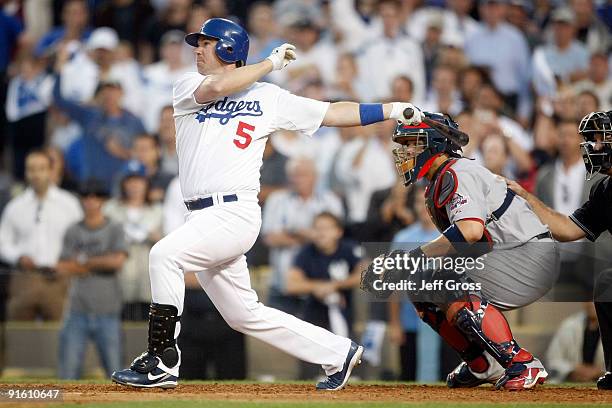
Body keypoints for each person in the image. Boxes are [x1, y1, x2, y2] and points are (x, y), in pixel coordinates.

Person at [111, 17, 423, 390]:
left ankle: (161, 359)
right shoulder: (189, 84)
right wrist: (270, 63)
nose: (197, 48)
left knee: (164, 255)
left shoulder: (268, 97)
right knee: (244, 315)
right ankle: (338, 353)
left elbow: (331, 112)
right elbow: (219, 85)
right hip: (202, 216)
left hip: (233, 211)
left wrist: (389, 110)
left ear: (228, 49)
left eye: (207, 43)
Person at [361, 112, 560, 390]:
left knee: (442, 281)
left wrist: (410, 259)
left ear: (435, 143)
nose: (405, 151)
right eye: (404, 144)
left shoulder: (458, 171)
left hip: (529, 256)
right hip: (511, 254)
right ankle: (481, 365)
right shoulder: (440, 179)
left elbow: (470, 232)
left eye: (412, 143)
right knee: (421, 285)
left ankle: (522, 363)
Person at [506, 110, 612, 390]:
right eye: (594, 140)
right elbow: (567, 229)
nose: (595, 147)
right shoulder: (605, 190)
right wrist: (526, 198)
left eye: (602, 140)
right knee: (606, 282)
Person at [56, 179, 127, 379]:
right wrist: (100, 262)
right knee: (67, 374)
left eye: (95, 196)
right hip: (77, 310)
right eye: (86, 196)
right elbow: (61, 266)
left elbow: (118, 261)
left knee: (116, 374)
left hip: (108, 311)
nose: (90, 200)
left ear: (102, 200)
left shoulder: (114, 228)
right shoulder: (73, 230)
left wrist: (84, 261)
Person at [0, 150, 82, 321]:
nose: (36, 174)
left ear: (51, 171)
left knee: (59, 334)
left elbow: (81, 239)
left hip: (59, 277)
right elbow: (3, 242)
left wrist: (69, 263)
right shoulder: (15, 206)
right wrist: (18, 256)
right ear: (25, 172)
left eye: (41, 168)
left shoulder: (69, 204)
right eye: (31, 169)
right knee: (20, 334)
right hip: (24, 277)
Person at [285, 212, 365, 379]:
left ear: (338, 231)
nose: (321, 233)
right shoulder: (306, 252)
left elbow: (368, 274)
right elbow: (291, 284)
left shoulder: (348, 248)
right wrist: (317, 287)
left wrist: (334, 285)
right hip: (314, 321)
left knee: (350, 371)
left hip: (344, 320)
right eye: (317, 228)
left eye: (327, 228)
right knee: (310, 375)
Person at [546, 302, 604, 383]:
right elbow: (553, 359)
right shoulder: (569, 325)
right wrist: (573, 369)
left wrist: (599, 371)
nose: (592, 303)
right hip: (571, 382)